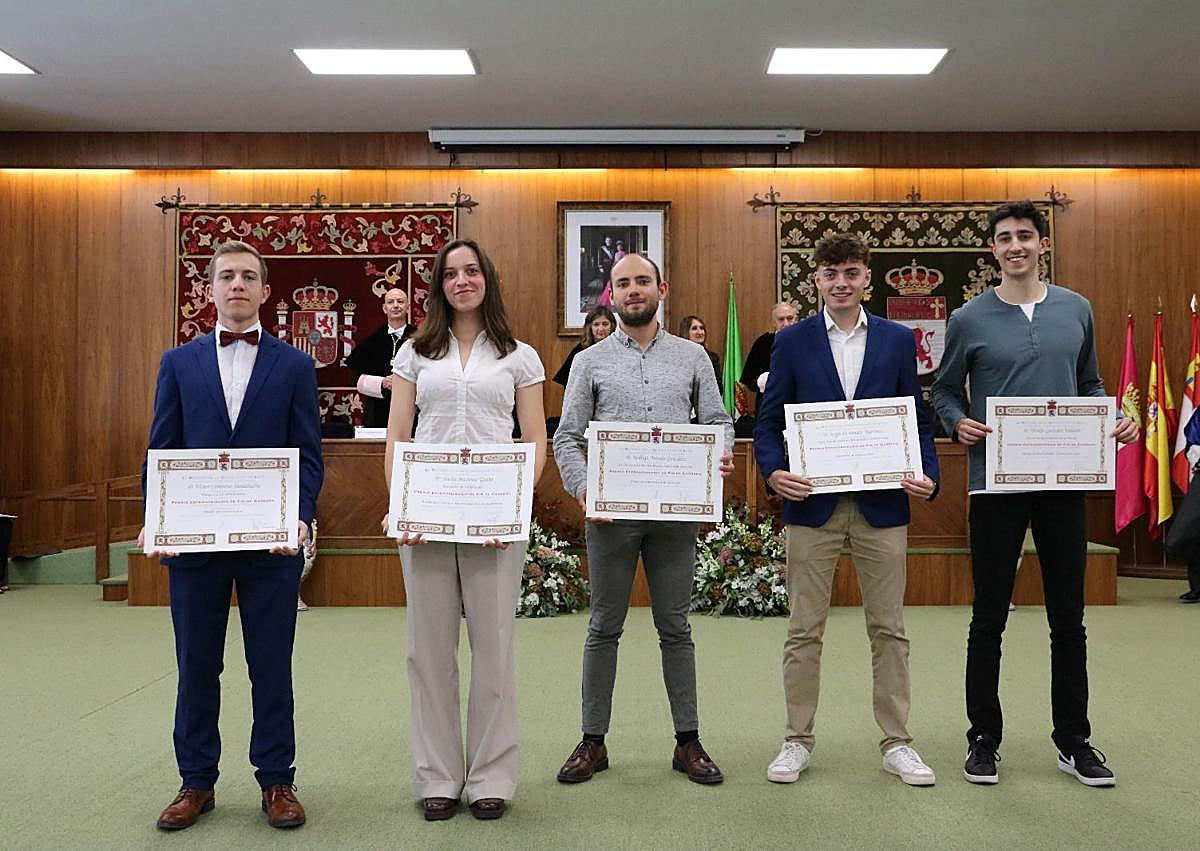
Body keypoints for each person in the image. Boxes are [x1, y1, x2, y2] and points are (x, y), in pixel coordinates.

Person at [931, 201, 1138, 788]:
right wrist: (957, 423)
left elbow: (1090, 384)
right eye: (1004, 238)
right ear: (992, 250)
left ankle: (1074, 739)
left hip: (1064, 483)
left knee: (1068, 618)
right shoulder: (969, 318)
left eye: (1025, 235)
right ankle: (983, 739)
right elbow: (944, 392)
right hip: (995, 483)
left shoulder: (1077, 309)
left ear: (1042, 244)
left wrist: (1111, 416)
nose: (1015, 245)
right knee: (988, 616)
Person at [140, 239, 324, 830]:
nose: (237, 285)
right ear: (210, 289)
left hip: (271, 544)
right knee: (196, 664)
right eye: (226, 276)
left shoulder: (295, 366)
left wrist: (299, 516)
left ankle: (277, 780)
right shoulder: (178, 363)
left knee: (271, 663)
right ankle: (196, 782)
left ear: (265, 290)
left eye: (248, 276)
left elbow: (309, 455)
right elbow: (161, 450)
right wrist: (157, 518)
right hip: (196, 545)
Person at [755, 233, 940, 787]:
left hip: (883, 507)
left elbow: (917, 417)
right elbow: (767, 424)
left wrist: (926, 471)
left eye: (852, 272)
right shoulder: (790, 343)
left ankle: (898, 742)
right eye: (831, 272)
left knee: (889, 629)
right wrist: (772, 470)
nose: (841, 282)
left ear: (866, 279)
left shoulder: (897, 341)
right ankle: (796, 740)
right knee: (804, 629)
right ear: (816, 279)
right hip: (813, 505)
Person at [553, 253, 735, 787]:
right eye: (623, 284)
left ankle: (687, 741)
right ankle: (592, 741)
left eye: (642, 281)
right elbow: (566, 437)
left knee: (675, 627)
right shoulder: (588, 362)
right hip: (610, 515)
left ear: (662, 288)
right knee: (603, 626)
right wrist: (584, 488)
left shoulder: (694, 356)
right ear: (611, 295)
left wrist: (717, 455)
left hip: (675, 514)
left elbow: (719, 421)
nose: (633, 290)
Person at [384, 238, 547, 822]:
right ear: (439, 285)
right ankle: (438, 776)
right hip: (426, 518)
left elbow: (533, 439)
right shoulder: (414, 353)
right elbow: (399, 432)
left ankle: (490, 778)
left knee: (494, 650)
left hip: (494, 520)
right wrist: (402, 505)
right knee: (427, 652)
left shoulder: (519, 356)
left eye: (471, 271)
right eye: (450, 273)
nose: (462, 281)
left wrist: (514, 508)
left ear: (487, 280)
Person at [344, 286, 415, 427]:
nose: (395, 305)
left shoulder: (420, 338)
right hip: (377, 411)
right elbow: (357, 379)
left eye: (400, 301)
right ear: (384, 308)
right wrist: (383, 382)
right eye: (391, 302)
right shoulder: (373, 340)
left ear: (407, 307)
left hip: (412, 408)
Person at [740, 301, 798, 407]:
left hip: (799, 404)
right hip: (769, 404)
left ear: (796, 319)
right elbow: (748, 379)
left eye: (790, 318)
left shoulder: (807, 341)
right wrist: (762, 381)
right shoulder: (763, 343)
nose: (786, 324)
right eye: (781, 319)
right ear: (773, 323)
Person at [553, 305, 616, 387]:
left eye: (605, 324)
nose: (601, 329)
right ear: (589, 327)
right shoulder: (581, 350)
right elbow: (567, 380)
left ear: (612, 326)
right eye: (596, 324)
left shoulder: (619, 348)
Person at [678, 314, 722, 393]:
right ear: (685, 331)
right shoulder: (677, 356)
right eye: (694, 328)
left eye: (702, 328)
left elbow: (718, 387)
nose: (700, 332)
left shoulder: (712, 358)